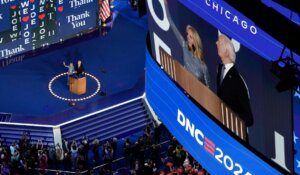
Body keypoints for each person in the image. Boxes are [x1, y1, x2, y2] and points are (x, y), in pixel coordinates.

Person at [164, 0, 210, 87]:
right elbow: (171, 23)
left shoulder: (203, 66)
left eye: (191, 37)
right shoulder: (184, 45)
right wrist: (166, 5)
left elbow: (208, 89)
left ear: (195, 41)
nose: (188, 38)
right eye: (187, 35)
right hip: (183, 87)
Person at [216, 34, 253, 128]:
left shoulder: (238, 82)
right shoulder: (220, 69)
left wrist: (229, 118)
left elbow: (249, 119)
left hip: (232, 133)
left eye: (219, 42)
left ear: (226, 50)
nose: (216, 43)